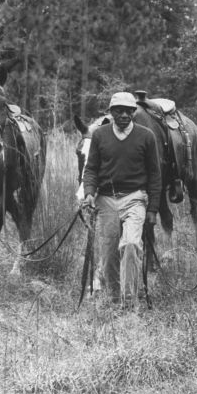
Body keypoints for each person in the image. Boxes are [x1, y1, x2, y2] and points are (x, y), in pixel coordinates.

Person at [82, 92, 161, 309]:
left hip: (135, 198)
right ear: (111, 112)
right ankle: (114, 298)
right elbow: (91, 169)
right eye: (119, 110)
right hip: (106, 199)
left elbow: (155, 175)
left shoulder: (146, 136)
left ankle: (130, 301)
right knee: (108, 253)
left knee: (131, 244)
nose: (124, 115)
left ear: (134, 112)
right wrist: (89, 192)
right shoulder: (100, 135)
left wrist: (153, 208)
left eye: (129, 110)